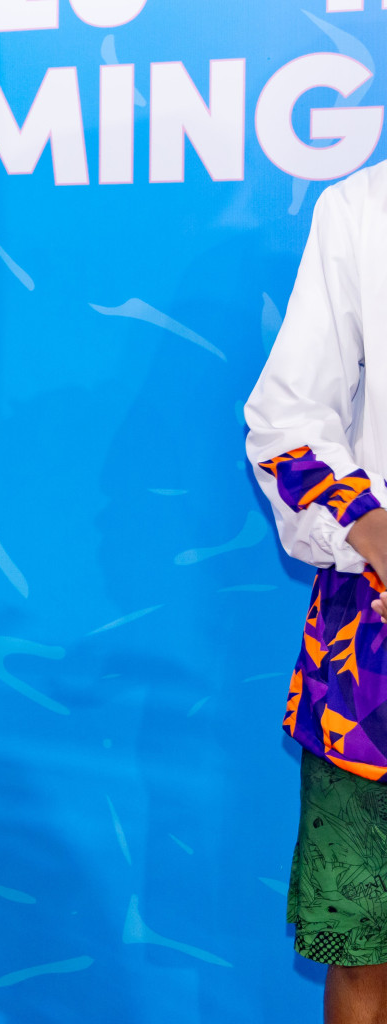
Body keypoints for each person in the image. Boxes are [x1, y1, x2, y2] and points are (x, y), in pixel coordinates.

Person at [246, 161, 387, 1024]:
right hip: (374, 670)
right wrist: (378, 538)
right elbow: (286, 427)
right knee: (365, 953)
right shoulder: (362, 209)